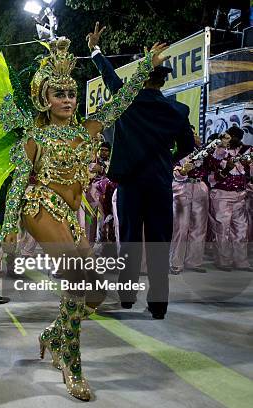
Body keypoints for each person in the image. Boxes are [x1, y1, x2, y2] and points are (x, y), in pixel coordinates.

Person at [0, 22, 168, 399]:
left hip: (70, 214)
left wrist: (144, 66)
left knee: (94, 294)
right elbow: (17, 182)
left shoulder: (87, 130)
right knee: (77, 279)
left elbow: (120, 102)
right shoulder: (35, 136)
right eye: (58, 93)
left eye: (71, 93)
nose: (67, 99)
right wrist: (9, 228)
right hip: (39, 205)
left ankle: (55, 334)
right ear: (43, 97)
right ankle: (72, 363)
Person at [89, 23, 195, 319]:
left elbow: (110, 78)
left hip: (130, 185)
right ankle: (159, 306)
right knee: (160, 243)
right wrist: (167, 160)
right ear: (164, 81)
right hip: (160, 184)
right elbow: (186, 149)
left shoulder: (127, 103)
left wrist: (95, 49)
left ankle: (126, 298)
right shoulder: (177, 111)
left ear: (142, 78)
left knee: (131, 241)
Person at [205, 126, 252, 271]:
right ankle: (223, 261)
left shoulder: (246, 151)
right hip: (221, 194)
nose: (236, 139)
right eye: (233, 136)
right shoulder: (218, 150)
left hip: (240, 194)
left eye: (239, 136)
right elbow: (212, 167)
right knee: (222, 229)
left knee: (241, 229)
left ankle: (241, 261)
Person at [169, 129, 209, 274]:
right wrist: (181, 172)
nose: (194, 137)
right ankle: (176, 262)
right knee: (181, 227)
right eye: (190, 134)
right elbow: (170, 168)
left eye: (195, 134)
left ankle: (194, 262)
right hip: (181, 187)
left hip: (199, 186)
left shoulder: (202, 150)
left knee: (199, 226)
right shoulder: (174, 150)